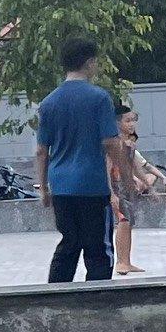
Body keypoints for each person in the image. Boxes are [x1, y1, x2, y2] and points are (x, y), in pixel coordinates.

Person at [34, 39, 130, 282]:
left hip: (61, 187)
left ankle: (56, 295)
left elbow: (42, 151)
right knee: (98, 248)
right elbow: (111, 143)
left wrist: (43, 188)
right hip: (92, 186)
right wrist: (128, 178)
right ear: (89, 63)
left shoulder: (48, 102)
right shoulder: (99, 98)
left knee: (69, 243)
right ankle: (97, 298)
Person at [112, 104, 166, 274]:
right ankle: (120, 262)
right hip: (117, 186)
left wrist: (150, 188)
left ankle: (126, 261)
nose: (132, 124)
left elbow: (136, 168)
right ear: (117, 122)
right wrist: (111, 193)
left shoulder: (130, 145)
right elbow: (107, 168)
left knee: (128, 222)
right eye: (127, 121)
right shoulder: (114, 143)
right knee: (123, 221)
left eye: (133, 121)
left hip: (127, 186)